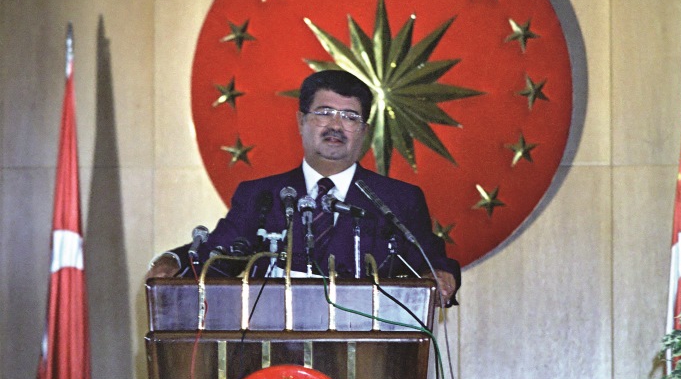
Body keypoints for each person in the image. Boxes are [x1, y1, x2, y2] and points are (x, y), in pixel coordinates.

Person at [148, 70, 459, 304]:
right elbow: (219, 256)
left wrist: (441, 277)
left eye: (350, 117)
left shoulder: (397, 200)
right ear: (301, 121)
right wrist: (174, 261)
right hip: (275, 362)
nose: (336, 125)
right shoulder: (261, 197)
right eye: (324, 113)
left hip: (369, 361)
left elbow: (432, 263)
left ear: (363, 131)